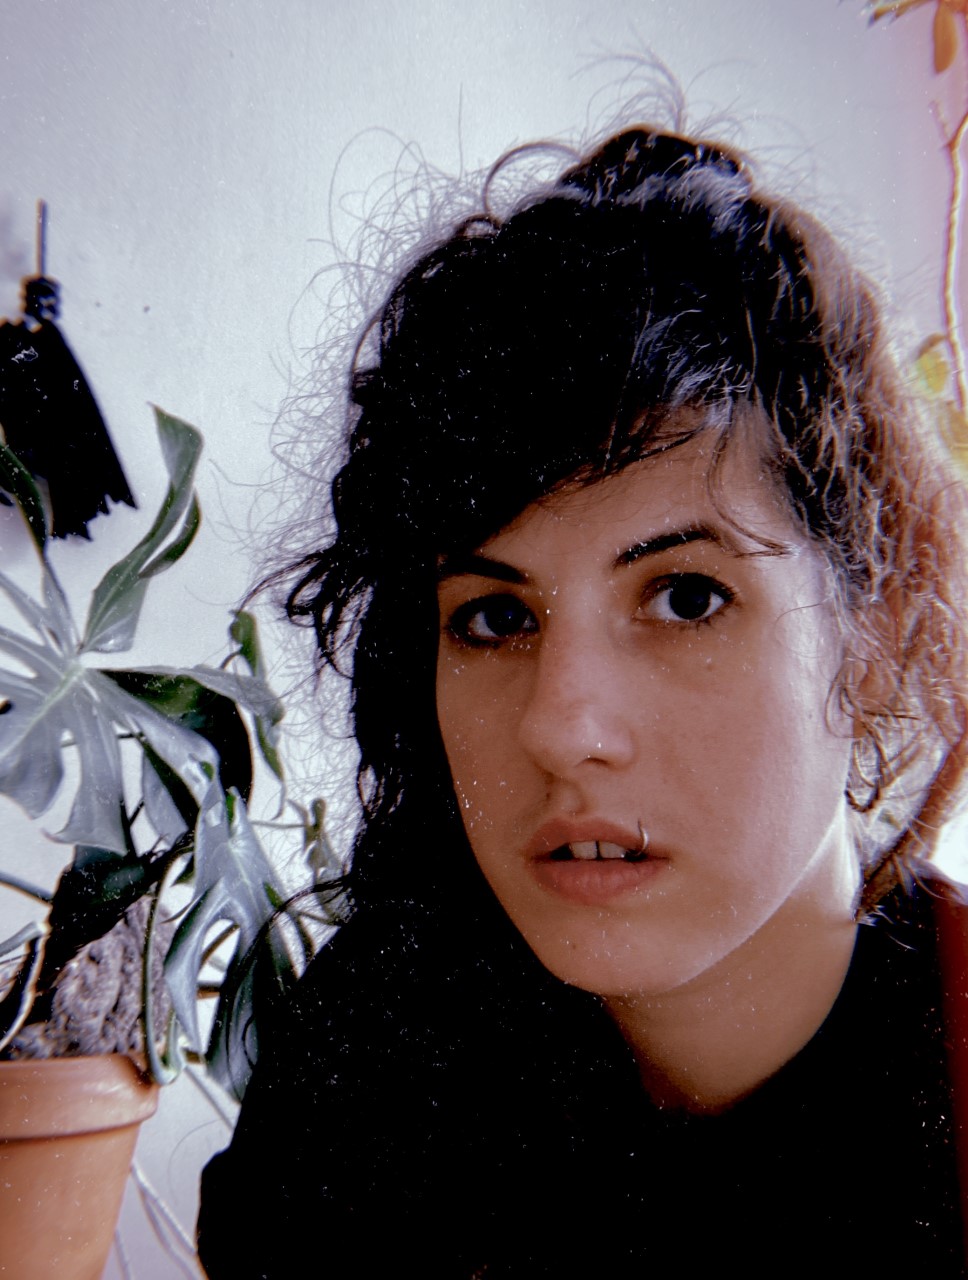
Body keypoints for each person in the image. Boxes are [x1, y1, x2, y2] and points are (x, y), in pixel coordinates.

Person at [197, 124, 968, 1277]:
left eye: (686, 596)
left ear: (873, 634)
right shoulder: (374, 1045)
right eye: (493, 617)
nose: (559, 726)